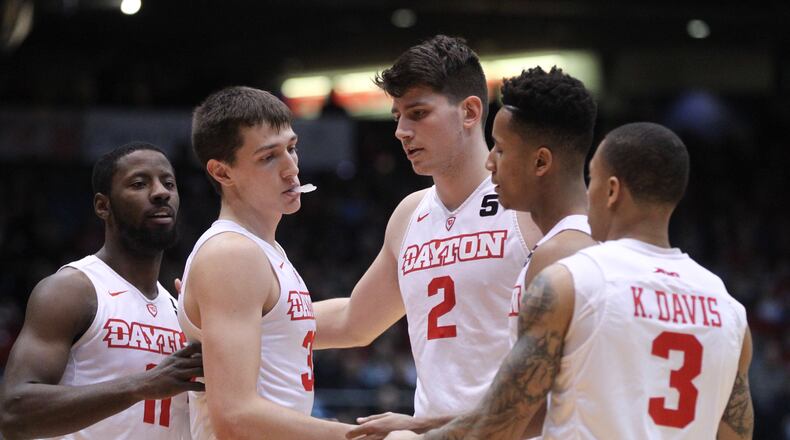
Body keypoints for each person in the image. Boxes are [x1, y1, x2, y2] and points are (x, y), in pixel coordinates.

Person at [392, 122, 753, 439]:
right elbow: (736, 434)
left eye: (591, 180)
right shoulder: (729, 311)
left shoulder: (572, 280)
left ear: (611, 190)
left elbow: (504, 422)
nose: (585, 193)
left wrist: (415, 436)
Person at [312, 35, 543, 438]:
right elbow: (354, 320)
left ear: (470, 112)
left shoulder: (530, 207)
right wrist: (249, 328)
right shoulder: (409, 215)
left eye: (418, 113)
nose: (401, 130)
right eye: (398, 115)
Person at [178, 86, 353, 439]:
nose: (292, 169)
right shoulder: (232, 254)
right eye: (268, 157)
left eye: (292, 148)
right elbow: (235, 416)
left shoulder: (263, 251)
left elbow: (353, 321)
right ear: (223, 173)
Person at [0, 143, 203, 440]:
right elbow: (13, 413)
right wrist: (142, 385)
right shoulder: (72, 289)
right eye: (139, 183)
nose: (161, 192)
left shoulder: (178, 309)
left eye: (168, 183)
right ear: (102, 206)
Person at [489, 66, 599, 437]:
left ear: (540, 162)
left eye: (500, 149)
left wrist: (422, 430)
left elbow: (528, 411)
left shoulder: (558, 254)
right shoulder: (589, 240)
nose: (490, 162)